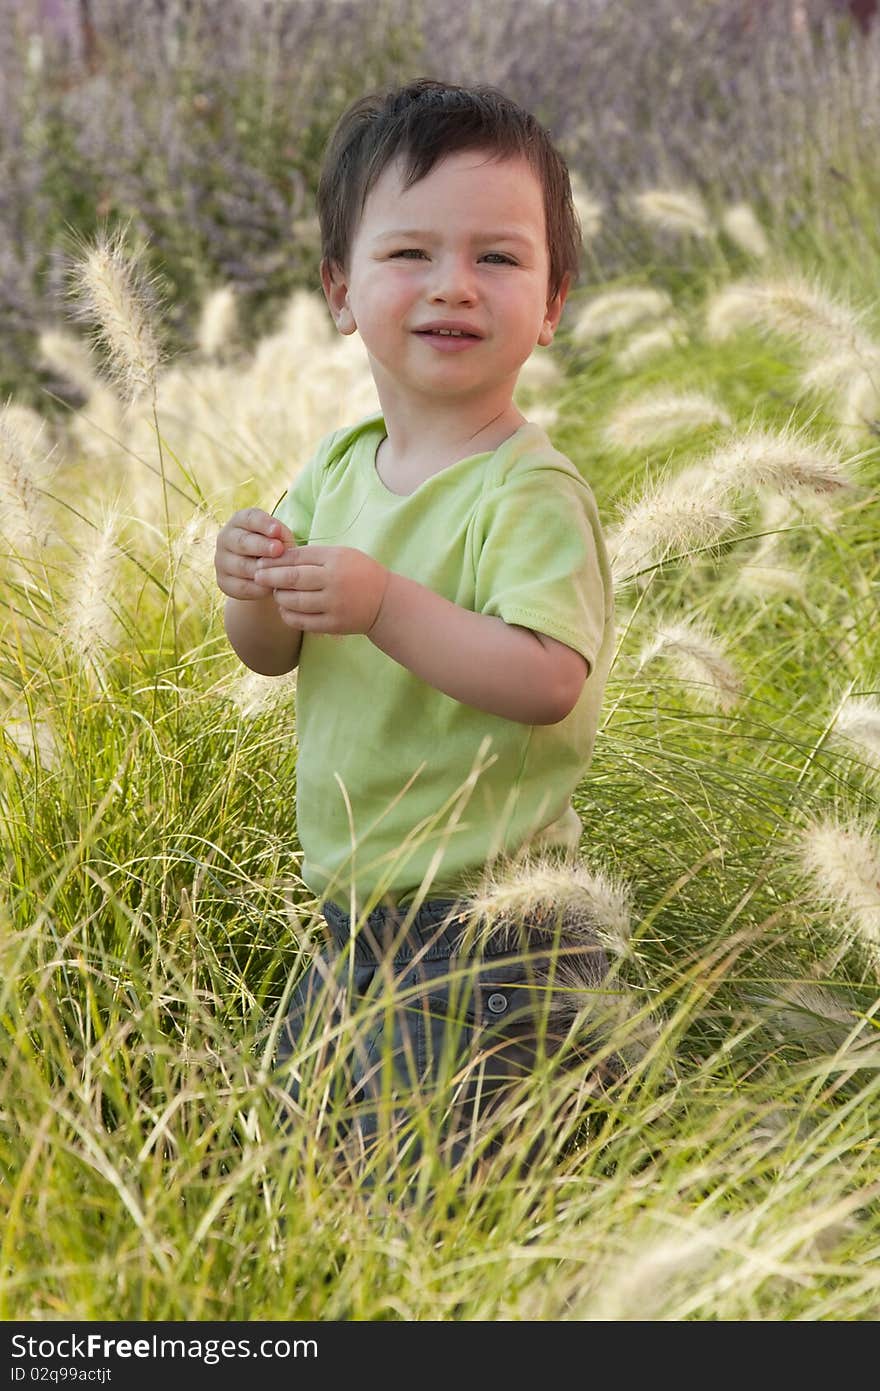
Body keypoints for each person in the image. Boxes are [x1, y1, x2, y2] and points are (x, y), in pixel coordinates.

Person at [214, 79, 617, 1177]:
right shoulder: (338, 467)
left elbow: (547, 679)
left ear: (552, 301)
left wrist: (386, 602)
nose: (454, 286)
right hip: (350, 911)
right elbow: (272, 653)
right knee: (305, 1157)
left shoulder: (525, 492)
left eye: (497, 256)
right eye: (410, 256)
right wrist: (250, 584)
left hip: (489, 929)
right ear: (340, 289)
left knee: (442, 1187)